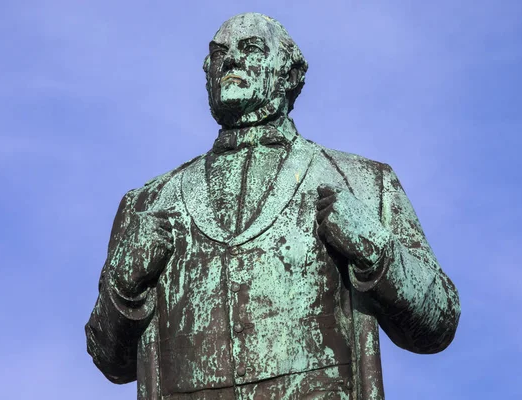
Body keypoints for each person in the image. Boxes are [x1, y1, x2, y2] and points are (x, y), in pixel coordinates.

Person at [85, 12, 460, 400]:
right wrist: (122, 285)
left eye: (250, 49)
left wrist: (375, 249)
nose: (230, 61)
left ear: (290, 74)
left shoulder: (362, 181)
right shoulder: (147, 203)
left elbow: (438, 322)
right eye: (219, 54)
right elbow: (109, 358)